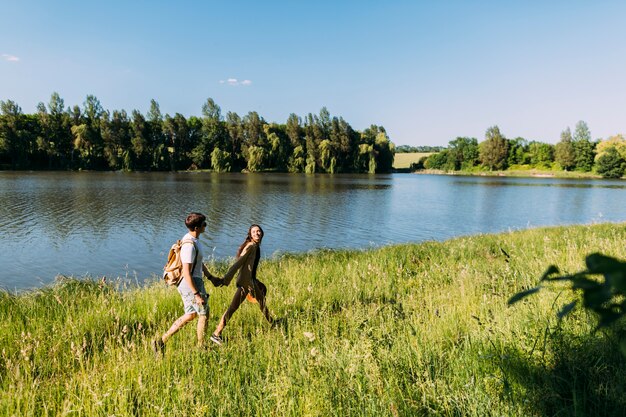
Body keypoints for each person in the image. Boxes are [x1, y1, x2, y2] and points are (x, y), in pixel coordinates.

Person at [153, 212, 218, 354]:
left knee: (190, 314)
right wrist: (196, 294)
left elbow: (198, 263)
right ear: (196, 228)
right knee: (204, 313)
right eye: (203, 224)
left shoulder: (193, 240)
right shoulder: (189, 245)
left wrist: (210, 277)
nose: (205, 226)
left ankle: (161, 341)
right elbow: (187, 272)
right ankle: (202, 347)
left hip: (193, 280)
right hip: (190, 282)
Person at [210, 224, 273, 345]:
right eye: (254, 232)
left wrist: (255, 280)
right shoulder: (251, 246)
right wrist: (225, 279)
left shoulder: (255, 246)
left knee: (259, 303)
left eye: (259, 231)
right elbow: (237, 264)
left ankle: (272, 322)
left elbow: (249, 268)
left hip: (250, 281)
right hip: (247, 284)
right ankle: (216, 333)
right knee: (235, 308)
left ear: (262, 233)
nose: (257, 233)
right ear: (250, 234)